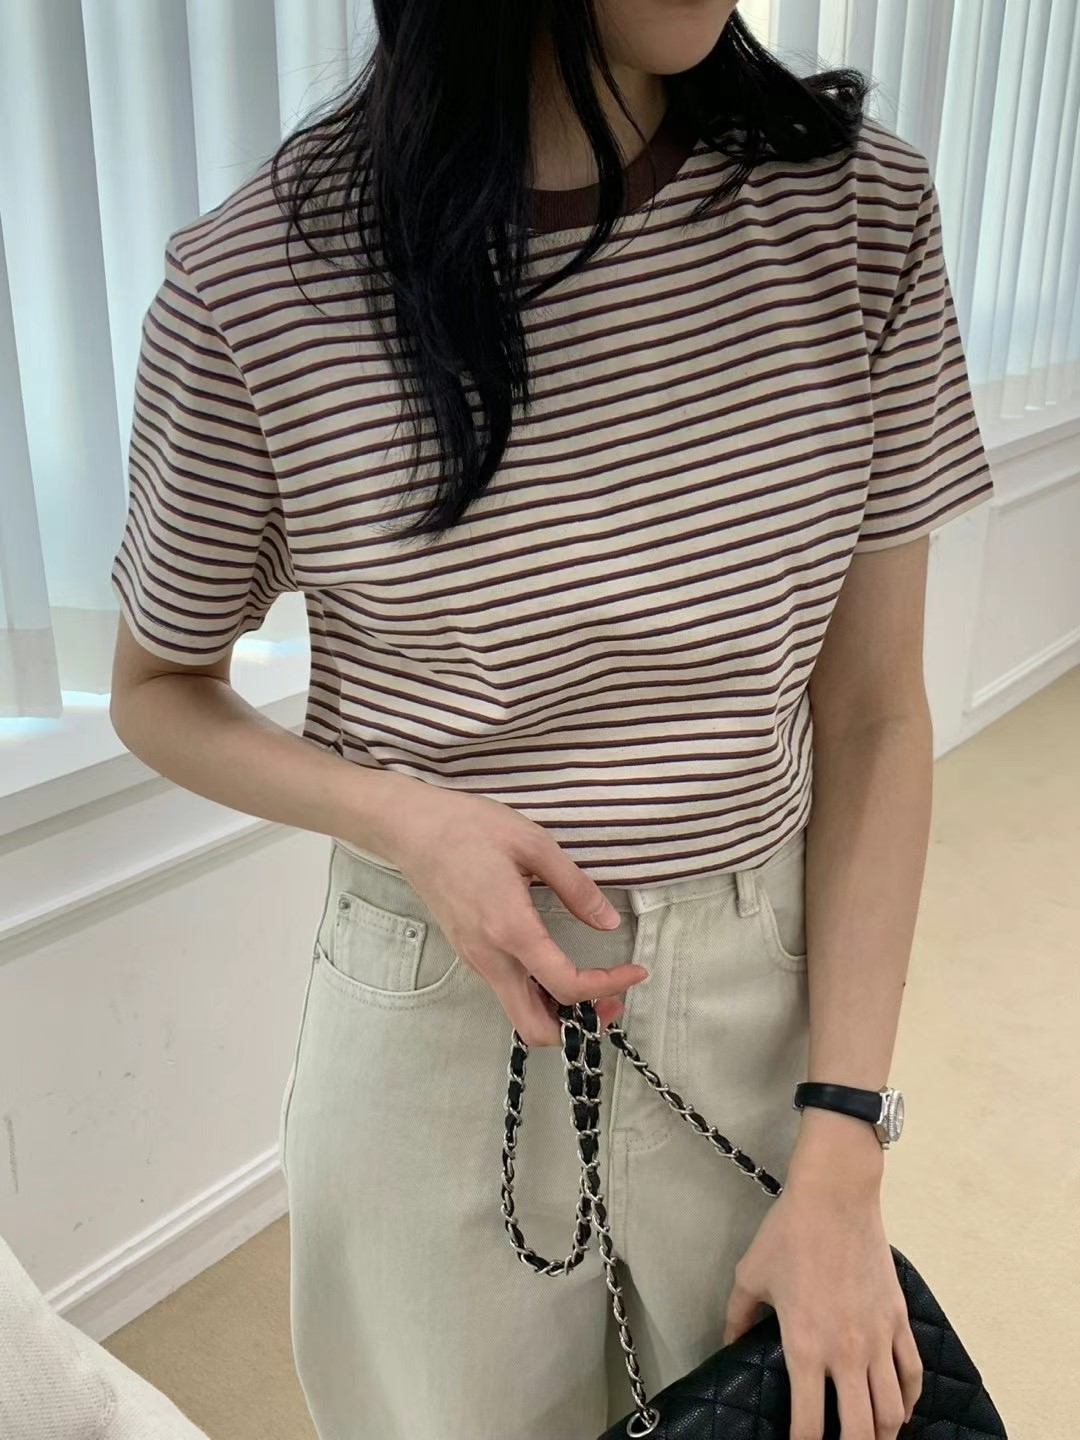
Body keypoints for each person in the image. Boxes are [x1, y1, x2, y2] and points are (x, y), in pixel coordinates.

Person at [108, 3, 994, 1438]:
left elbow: (876, 713)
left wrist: (846, 1142)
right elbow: (158, 690)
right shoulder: (259, 282)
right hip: (433, 1014)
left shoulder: (854, 212)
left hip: (761, 1003)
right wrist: (404, 817)